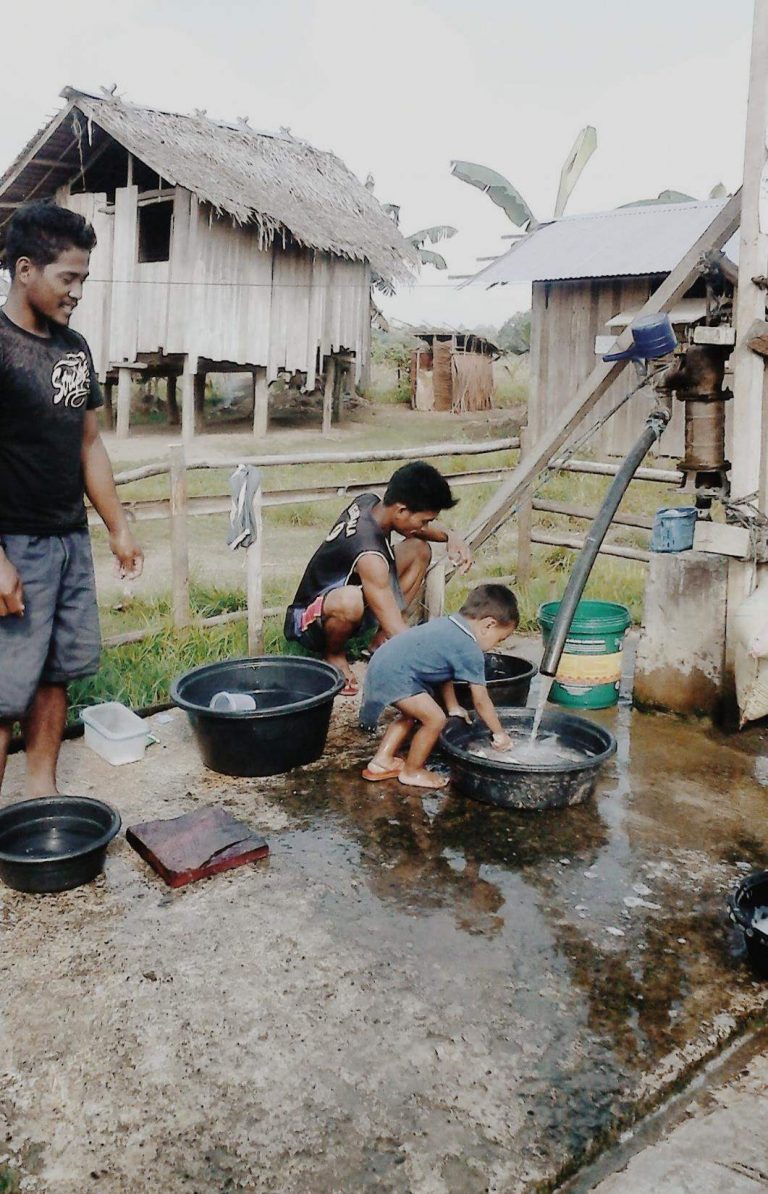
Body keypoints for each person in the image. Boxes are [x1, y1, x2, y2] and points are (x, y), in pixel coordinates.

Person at [0, 199, 143, 797]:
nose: (78, 291)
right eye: (69, 278)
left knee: (56, 674)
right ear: (25, 269)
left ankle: (42, 795)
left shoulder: (75, 348)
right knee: (3, 690)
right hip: (12, 544)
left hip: (67, 540)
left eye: (84, 278)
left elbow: (89, 443)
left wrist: (116, 526)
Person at [284, 461, 473, 695]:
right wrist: (435, 658)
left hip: (349, 592)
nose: (425, 526)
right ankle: (333, 655)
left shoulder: (371, 503)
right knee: (349, 601)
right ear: (402, 510)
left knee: (419, 549)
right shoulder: (369, 554)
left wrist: (450, 536)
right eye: (424, 520)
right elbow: (392, 617)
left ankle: (379, 642)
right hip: (308, 620)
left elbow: (414, 529)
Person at [359, 583, 519, 790]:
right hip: (397, 675)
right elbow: (481, 700)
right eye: (500, 638)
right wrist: (500, 734)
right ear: (488, 625)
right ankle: (412, 771)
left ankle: (381, 762)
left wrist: (453, 706)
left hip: (382, 665)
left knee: (411, 715)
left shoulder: (449, 624)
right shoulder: (469, 648)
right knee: (434, 719)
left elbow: (443, 673)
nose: (497, 645)